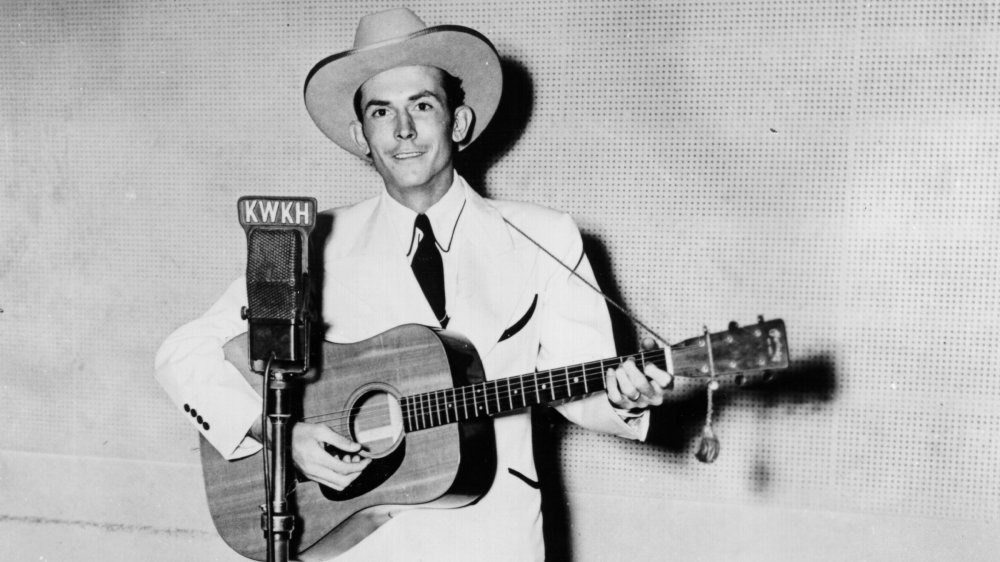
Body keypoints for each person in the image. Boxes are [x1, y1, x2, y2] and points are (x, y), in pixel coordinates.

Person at [155, 7, 672, 561]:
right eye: (382, 112)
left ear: (459, 122)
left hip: (495, 536)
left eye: (422, 105)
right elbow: (181, 355)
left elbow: (585, 386)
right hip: (358, 542)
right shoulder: (314, 243)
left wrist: (626, 397)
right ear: (361, 135)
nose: (403, 131)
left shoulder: (543, 235)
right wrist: (276, 434)